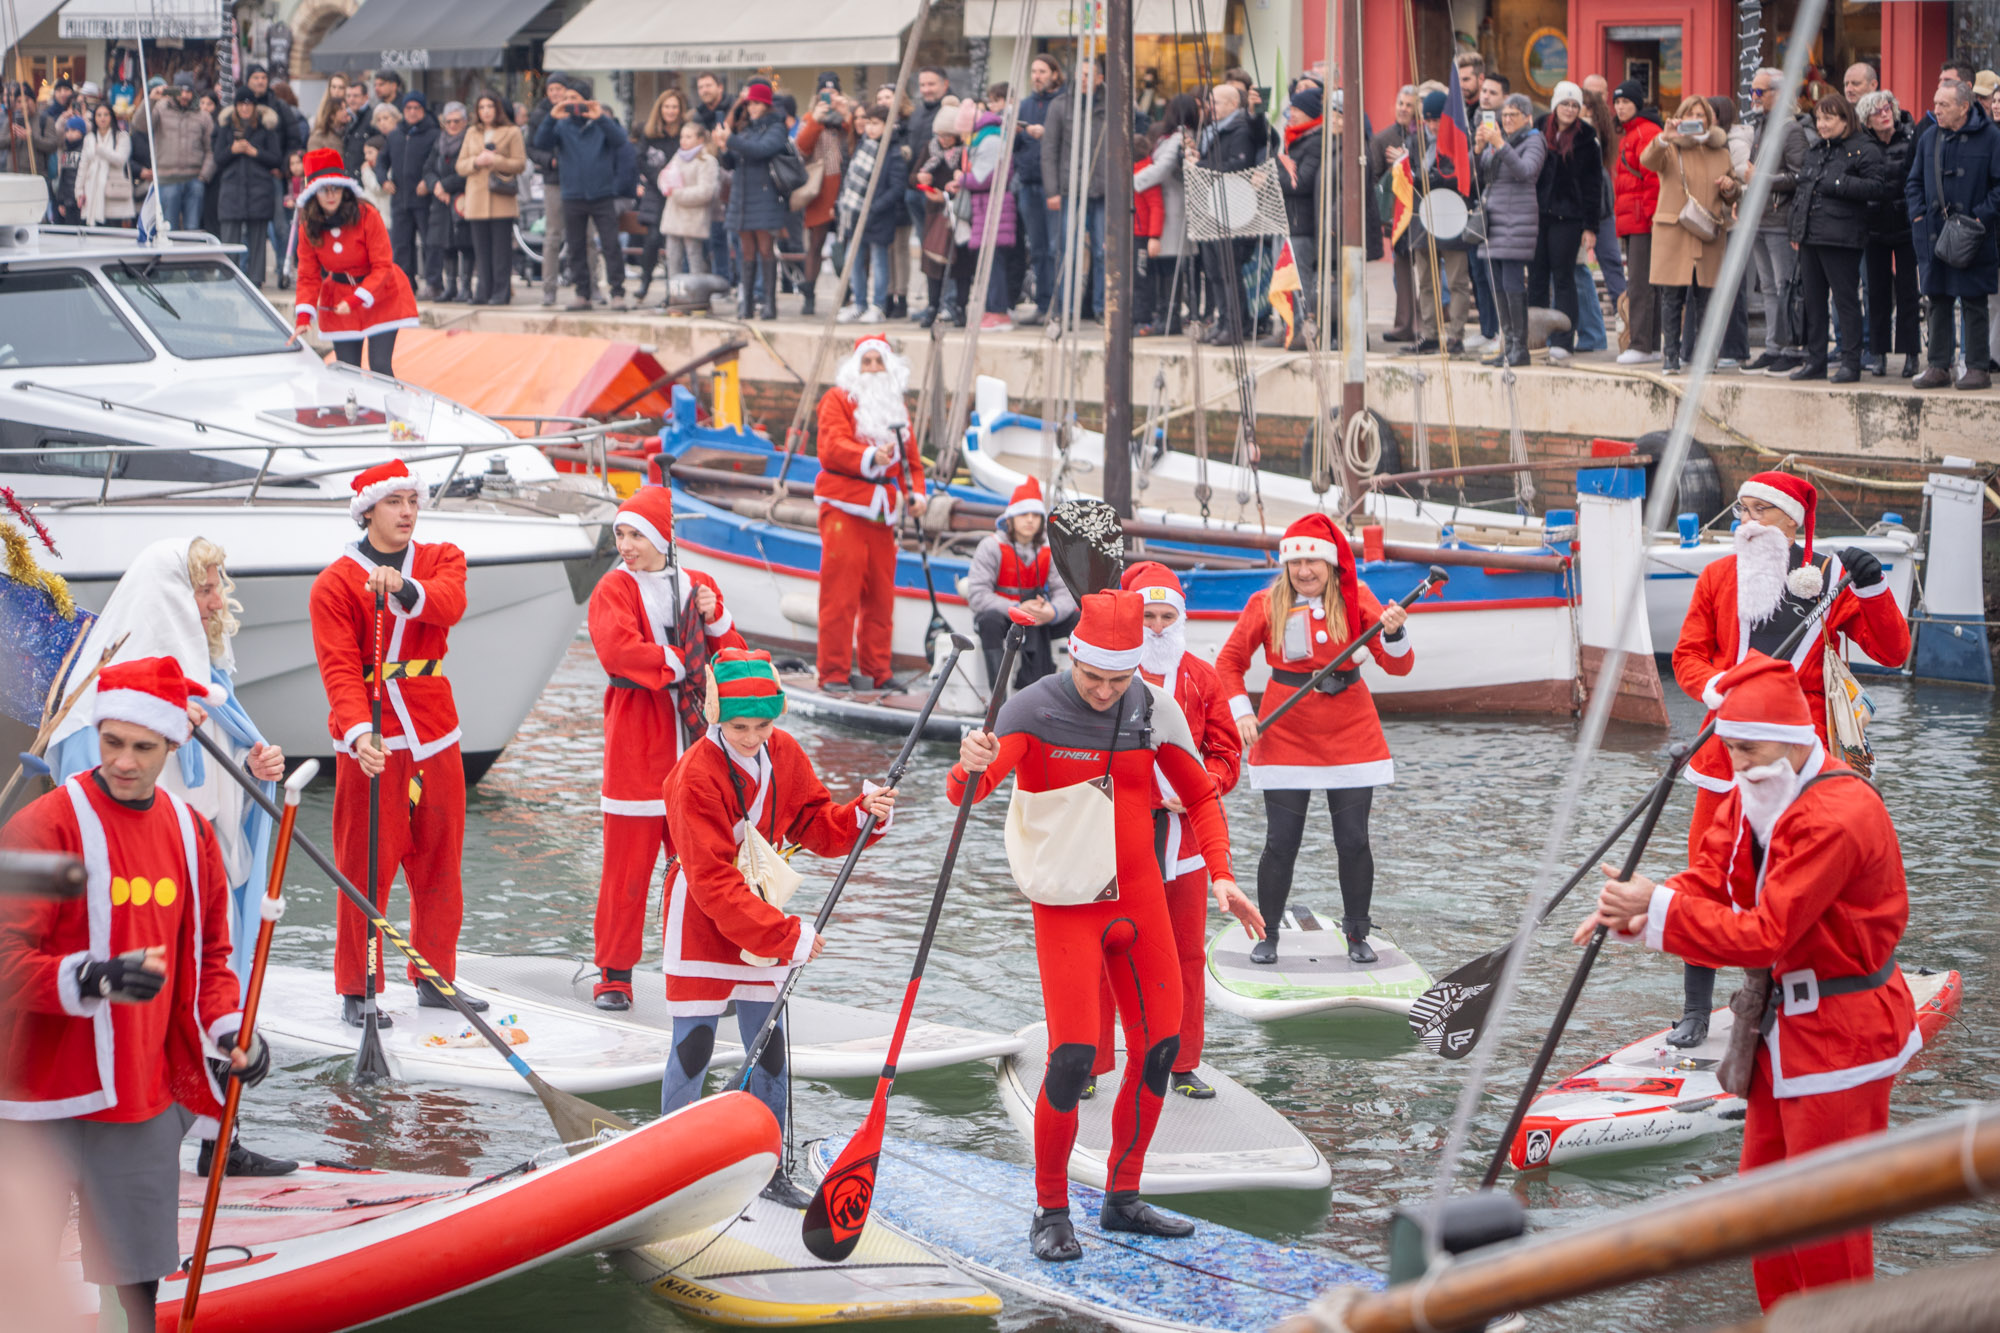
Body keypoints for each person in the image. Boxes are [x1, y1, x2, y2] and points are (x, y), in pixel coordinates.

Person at [1579, 652, 1920, 1311]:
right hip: (1781, 1036)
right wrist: (1630, 908)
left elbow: (1767, 931)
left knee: (1827, 1229)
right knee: (1763, 1213)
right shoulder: (1760, 789)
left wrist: (1657, 910)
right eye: (1730, 749)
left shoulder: (1837, 814)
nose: (1738, 764)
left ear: (1794, 740)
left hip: (1842, 1037)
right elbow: (1709, 878)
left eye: (1748, 748)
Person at [951, 590, 1249, 1261]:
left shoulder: (1151, 705)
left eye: (1120, 679)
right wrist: (971, 763)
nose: (1106, 692)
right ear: (1074, 656)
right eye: (1094, 677)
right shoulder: (1033, 706)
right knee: (1073, 1058)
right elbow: (969, 790)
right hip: (1068, 906)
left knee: (1163, 1050)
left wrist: (1223, 873)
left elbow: (1200, 792)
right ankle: (1051, 1207)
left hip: (1140, 904)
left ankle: (1122, 1196)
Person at [0, 657, 272, 1332]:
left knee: (137, 1280)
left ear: (172, 744)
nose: (123, 760)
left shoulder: (190, 832)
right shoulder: (43, 827)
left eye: (142, 746)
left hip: (140, 1089)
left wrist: (234, 1029)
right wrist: (90, 976)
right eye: (110, 741)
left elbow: (212, 957)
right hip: (37, 1095)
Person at [42, 541, 294, 1179]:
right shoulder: (98, 709)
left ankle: (219, 1139)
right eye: (203, 589)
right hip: (136, 885)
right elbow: (88, 803)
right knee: (133, 1014)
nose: (216, 602)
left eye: (215, 588)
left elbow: (227, 769)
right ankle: (92, 1156)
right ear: (169, 599)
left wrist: (257, 769)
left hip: (199, 869)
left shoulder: (210, 681)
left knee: (214, 995)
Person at [1665, 470, 1910, 1048]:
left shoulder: (1826, 580)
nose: (1745, 524)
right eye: (1741, 512)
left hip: (1804, 754)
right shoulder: (1717, 576)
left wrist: (1873, 589)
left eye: (1760, 512)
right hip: (1726, 747)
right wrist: (1718, 688)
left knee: (1791, 878)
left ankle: (1773, 993)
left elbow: (1894, 652)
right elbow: (1688, 654)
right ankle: (1696, 1008)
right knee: (1710, 871)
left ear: (1793, 525)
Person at [661, 648, 896, 1207]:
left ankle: (767, 1167)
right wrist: (787, 936)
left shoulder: (782, 752)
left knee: (768, 1049)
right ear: (716, 715)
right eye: (738, 726)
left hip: (760, 910)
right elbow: (713, 881)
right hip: (701, 917)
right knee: (692, 1047)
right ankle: (672, 1166)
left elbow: (815, 822)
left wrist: (862, 814)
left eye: (763, 725)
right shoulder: (693, 776)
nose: (750, 737)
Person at [308, 459, 480, 1026]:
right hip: (373, 738)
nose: (407, 511)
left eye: (412, 500)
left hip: (434, 732)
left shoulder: (441, 559)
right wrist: (358, 734)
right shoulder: (334, 583)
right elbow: (338, 671)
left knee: (440, 860)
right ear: (368, 510)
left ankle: (435, 978)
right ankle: (358, 988)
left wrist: (403, 587)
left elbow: (449, 603)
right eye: (394, 502)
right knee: (364, 864)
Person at [1215, 514, 1414, 966]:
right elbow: (1228, 663)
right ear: (1286, 565)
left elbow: (1398, 666)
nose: (1305, 571)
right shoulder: (1265, 604)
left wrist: (1394, 631)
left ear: (1331, 564)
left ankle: (1358, 934)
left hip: (1351, 734)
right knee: (1282, 841)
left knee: (1354, 841)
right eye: (1296, 562)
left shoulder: (1357, 599)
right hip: (1285, 734)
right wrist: (1242, 714)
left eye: (1314, 562)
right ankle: (1267, 934)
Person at [1086, 563, 1252, 1101]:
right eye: (1148, 616)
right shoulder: (1107, 675)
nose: (1157, 627)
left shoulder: (1202, 678)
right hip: (1117, 834)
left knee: (1185, 953)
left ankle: (1182, 1062)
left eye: (1166, 616)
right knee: (1105, 948)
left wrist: (1208, 782)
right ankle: (1090, 1061)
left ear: (1179, 619)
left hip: (1186, 840)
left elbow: (1227, 749)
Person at [587, 486, 745, 1010]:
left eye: (636, 534)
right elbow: (618, 652)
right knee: (626, 872)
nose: (627, 545)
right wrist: (684, 664)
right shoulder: (613, 589)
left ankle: (708, 974)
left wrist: (716, 618)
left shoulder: (699, 585)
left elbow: (739, 664)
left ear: (661, 537)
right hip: (637, 746)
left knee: (704, 870)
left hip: (697, 753)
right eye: (621, 534)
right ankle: (614, 976)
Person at [812, 336, 926, 691]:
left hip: (882, 514)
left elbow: (911, 464)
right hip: (844, 505)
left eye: (879, 362)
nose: (874, 368)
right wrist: (869, 457)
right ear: (856, 367)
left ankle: (879, 671)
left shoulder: (896, 408)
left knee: (881, 596)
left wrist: (916, 495)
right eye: (868, 362)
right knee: (840, 595)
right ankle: (833, 672)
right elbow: (832, 444)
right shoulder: (836, 399)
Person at [1787, 94, 1889, 383]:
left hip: (1843, 236)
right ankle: (1815, 360)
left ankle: (1851, 362)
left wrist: (1838, 184)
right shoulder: (1816, 149)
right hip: (1810, 235)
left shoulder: (1864, 148)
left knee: (1845, 301)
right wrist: (1796, 229)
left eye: (1828, 118)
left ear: (1845, 119)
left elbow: (1876, 188)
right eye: (1819, 118)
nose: (1821, 124)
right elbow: (1803, 190)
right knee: (1813, 302)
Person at [1906, 79, 2000, 391]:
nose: (1936, 110)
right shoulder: (1930, 136)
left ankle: (1976, 367)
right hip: (1933, 233)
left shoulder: (1991, 137)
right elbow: (1914, 182)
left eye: (1943, 105)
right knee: (1937, 298)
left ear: (1964, 106)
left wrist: (1979, 216)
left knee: (1973, 300)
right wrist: (1918, 214)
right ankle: (1938, 365)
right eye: (1935, 103)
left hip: (1974, 235)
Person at [291, 148, 419, 375]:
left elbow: (383, 265)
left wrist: (357, 299)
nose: (331, 195)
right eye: (323, 190)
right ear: (313, 194)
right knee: (347, 371)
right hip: (340, 297)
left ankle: (386, 409)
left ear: (344, 189)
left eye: (336, 188)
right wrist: (303, 314)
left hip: (380, 292)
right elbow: (308, 275)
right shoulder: (308, 227)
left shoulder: (366, 214)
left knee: (380, 367)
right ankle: (353, 410)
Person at [1641, 96, 1738, 375]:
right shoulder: (1670, 148)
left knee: (1707, 297)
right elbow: (1648, 161)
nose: (1698, 118)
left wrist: (1731, 187)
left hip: (1708, 232)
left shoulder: (1721, 152)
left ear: (1710, 120)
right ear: (1681, 117)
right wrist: (1664, 137)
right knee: (1672, 297)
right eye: (1692, 113)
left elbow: (1732, 194)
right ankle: (1670, 356)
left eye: (1703, 114)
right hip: (1675, 231)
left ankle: (1707, 357)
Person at [965, 478, 1076, 687]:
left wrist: (1052, 611)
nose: (1030, 520)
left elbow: (1066, 592)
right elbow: (978, 596)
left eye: (1035, 515)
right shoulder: (991, 547)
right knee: (988, 621)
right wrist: (1017, 609)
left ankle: (1067, 691)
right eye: (1024, 514)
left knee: (1078, 620)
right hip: (1004, 617)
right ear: (1010, 519)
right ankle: (997, 696)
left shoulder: (1050, 551)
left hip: (1038, 619)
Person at [532, 75, 629, 312]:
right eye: (565, 99)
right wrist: (551, 117)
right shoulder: (561, 125)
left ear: (586, 101)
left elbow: (620, 141)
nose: (569, 103)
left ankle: (617, 292)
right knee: (575, 246)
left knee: (609, 244)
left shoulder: (601, 123)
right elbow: (540, 143)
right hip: (572, 194)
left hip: (602, 194)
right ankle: (582, 293)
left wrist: (601, 118)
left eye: (574, 99)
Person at [1741, 69, 1809, 375]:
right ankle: (1772, 347)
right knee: (1768, 287)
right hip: (1759, 218)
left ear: (1778, 94)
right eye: (1752, 91)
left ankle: (1791, 348)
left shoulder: (1791, 129)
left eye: (1759, 92)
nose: (1753, 98)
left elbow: (1800, 176)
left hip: (1781, 219)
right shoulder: (1761, 125)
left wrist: (1762, 179)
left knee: (1786, 287)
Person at [1530, 81, 1601, 365]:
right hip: (1536, 216)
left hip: (1568, 218)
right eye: (1565, 104)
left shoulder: (1587, 137)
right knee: (1535, 277)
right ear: (1555, 105)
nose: (1570, 109)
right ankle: (1535, 336)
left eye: (1575, 105)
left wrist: (1590, 227)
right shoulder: (1538, 129)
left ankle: (1563, 340)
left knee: (1563, 278)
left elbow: (1594, 186)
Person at [1474, 92, 1545, 367]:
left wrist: (1499, 143)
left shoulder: (1534, 139)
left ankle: (1520, 348)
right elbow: (1476, 177)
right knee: (1497, 285)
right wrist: (1479, 148)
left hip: (1518, 222)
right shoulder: (1496, 142)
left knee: (1512, 284)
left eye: (1512, 115)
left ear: (1527, 117)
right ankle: (1508, 345)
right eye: (1504, 116)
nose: (1507, 120)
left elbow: (1526, 171)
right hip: (1493, 222)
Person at [1857, 90, 1920, 378]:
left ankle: (1911, 355)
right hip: (1873, 226)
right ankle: (1878, 354)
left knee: (1909, 292)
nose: (1885, 115)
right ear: (1867, 121)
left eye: (1887, 109)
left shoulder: (1911, 138)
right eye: (1877, 112)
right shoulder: (1861, 146)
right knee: (1877, 293)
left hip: (1907, 225)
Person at [1408, 90, 1474, 355]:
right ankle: (1430, 333)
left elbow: (1464, 176)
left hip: (1451, 214)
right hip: (1423, 216)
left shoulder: (1459, 139)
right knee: (1425, 280)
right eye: (1429, 121)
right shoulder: (1416, 141)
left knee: (1457, 280)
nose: (1433, 126)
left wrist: (1440, 179)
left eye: (1437, 121)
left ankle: (1456, 334)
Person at [1045, 56, 1109, 325]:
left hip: (1104, 190)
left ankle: (1102, 307)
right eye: (1079, 75)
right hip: (1070, 189)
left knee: (1103, 251)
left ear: (1099, 78)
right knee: (1066, 250)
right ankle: (1066, 308)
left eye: (1088, 75)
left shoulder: (1112, 105)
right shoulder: (1061, 106)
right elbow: (1049, 151)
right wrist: (1052, 191)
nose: (1082, 80)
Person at [718, 82, 789, 321]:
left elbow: (762, 150)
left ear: (767, 104)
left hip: (765, 195)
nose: (751, 107)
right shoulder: (745, 129)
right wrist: (724, 149)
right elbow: (732, 162)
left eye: (756, 103)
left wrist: (732, 141)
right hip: (742, 197)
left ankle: (769, 304)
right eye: (749, 103)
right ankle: (745, 304)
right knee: (746, 251)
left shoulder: (776, 127)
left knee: (765, 249)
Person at [1136, 92, 1198, 336]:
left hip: (1174, 207)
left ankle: (1170, 316)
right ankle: (1164, 314)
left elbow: (1162, 169)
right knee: (1164, 266)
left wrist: (1132, 182)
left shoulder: (1179, 138)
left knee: (1171, 266)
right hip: (1166, 206)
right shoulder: (1171, 138)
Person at [1611, 82, 1664, 364]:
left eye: (1625, 102)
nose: (1619, 107)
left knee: (1640, 285)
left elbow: (1654, 180)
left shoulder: (1645, 132)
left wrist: (1651, 216)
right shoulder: (1633, 132)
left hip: (1642, 220)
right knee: (1646, 283)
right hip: (1635, 220)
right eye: (1617, 103)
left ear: (1637, 104)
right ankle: (1651, 345)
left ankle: (1641, 344)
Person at [458, 91, 526, 307]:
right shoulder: (471, 133)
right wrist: (476, 162)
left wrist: (495, 160)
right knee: (481, 249)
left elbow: (519, 163)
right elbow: (460, 165)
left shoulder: (512, 132)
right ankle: (482, 291)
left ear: (497, 109)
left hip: (501, 197)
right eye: (481, 107)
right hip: (477, 198)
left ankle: (500, 292)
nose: (485, 111)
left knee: (501, 250)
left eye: (489, 106)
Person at [213, 89, 282, 285]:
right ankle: (228, 281)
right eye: (241, 104)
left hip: (258, 192)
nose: (245, 108)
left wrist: (255, 152)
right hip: (232, 192)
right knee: (230, 240)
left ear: (254, 106)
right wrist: (232, 150)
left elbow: (276, 159)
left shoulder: (265, 128)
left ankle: (256, 282)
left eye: (249, 104)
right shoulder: (226, 127)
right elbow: (218, 158)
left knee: (258, 241)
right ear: (235, 106)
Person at [1274, 84, 1325, 349]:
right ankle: (1290, 329)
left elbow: (1301, 181)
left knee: (1302, 281)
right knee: (1287, 279)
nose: (1290, 114)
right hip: (1289, 221)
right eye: (1290, 108)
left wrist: (1274, 175)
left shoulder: (1314, 141)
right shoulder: (1295, 140)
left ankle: (1304, 331)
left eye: (1296, 110)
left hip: (1302, 223)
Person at [1015, 55, 1063, 323]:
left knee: (1057, 247)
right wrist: (1019, 134)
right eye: (1033, 71)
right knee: (1038, 249)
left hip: (1054, 185)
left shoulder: (1063, 103)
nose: (1036, 76)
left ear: (1055, 74)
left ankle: (1060, 305)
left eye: (1042, 71)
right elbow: (1014, 147)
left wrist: (1047, 134)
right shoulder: (1025, 106)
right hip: (1029, 183)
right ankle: (1043, 304)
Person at [380, 91, 441, 298]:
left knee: (429, 243)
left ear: (423, 110)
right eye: (408, 108)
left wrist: (428, 181)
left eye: (417, 108)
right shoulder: (395, 135)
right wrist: (383, 180)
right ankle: (405, 284)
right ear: (403, 111)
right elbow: (381, 161)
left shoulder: (433, 134)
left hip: (423, 198)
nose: (413, 112)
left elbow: (437, 162)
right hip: (400, 198)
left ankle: (433, 283)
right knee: (401, 245)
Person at [963, 106, 1019, 331]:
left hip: (993, 206)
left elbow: (982, 177)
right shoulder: (989, 137)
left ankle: (998, 311)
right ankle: (991, 309)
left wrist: (961, 179)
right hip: (986, 207)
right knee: (988, 262)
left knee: (993, 262)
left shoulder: (991, 140)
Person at [1371, 85, 1420, 341]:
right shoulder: (1381, 139)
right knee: (1401, 270)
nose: (1403, 109)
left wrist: (1406, 161)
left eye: (1409, 105)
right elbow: (1376, 179)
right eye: (1400, 103)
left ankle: (1427, 324)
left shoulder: (1424, 137)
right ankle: (1404, 324)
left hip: (1422, 214)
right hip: (1397, 215)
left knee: (1428, 271)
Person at [791, 91, 846, 316]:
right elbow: (801, 148)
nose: (829, 100)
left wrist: (844, 112)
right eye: (824, 94)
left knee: (847, 246)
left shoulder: (845, 116)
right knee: (815, 244)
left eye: (833, 94)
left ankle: (848, 293)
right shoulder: (810, 119)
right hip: (821, 190)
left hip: (846, 187)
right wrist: (816, 118)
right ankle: (809, 295)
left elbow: (855, 138)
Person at [631, 90, 687, 302]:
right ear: (660, 109)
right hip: (656, 190)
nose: (670, 111)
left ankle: (671, 291)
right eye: (667, 107)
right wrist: (658, 179)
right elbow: (640, 159)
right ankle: (645, 282)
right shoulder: (650, 132)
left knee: (673, 244)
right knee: (653, 239)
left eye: (674, 107)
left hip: (678, 192)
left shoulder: (684, 131)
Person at [657, 119, 721, 299]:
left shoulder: (707, 161)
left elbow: (706, 191)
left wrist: (677, 193)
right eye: (682, 136)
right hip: (674, 217)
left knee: (695, 259)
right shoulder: (677, 157)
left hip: (693, 218)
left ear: (700, 139)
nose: (683, 140)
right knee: (673, 260)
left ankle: (697, 297)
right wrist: (664, 184)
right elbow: (664, 178)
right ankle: (674, 297)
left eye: (688, 136)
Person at [423, 102, 472, 303]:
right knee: (446, 244)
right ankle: (450, 286)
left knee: (466, 245)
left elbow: (467, 171)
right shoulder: (439, 141)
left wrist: (445, 185)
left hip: (462, 199)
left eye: (456, 121)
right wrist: (436, 186)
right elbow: (427, 168)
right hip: (441, 201)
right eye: (448, 121)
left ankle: (466, 288)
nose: (452, 125)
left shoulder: (470, 139)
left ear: (465, 121)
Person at [152, 73, 212, 233]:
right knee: (168, 228)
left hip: (194, 180)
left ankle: (191, 259)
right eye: (181, 90)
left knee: (192, 228)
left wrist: (203, 176)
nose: (185, 95)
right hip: (168, 180)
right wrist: (151, 100)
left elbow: (211, 148)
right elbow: (140, 125)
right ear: (174, 90)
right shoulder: (160, 108)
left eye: (189, 91)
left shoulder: (203, 116)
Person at [76, 100, 134, 227]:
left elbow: (121, 160)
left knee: (113, 232)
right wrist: (79, 190)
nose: (102, 118)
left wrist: (101, 150)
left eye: (106, 115)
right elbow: (83, 166)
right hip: (92, 190)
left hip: (113, 191)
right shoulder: (89, 138)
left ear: (111, 117)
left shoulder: (121, 136)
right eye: (99, 115)